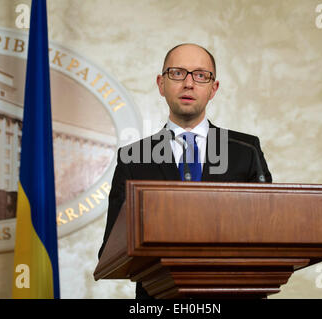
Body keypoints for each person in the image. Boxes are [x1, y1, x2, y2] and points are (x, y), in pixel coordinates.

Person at [97, 43, 272, 299]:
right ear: (161, 83)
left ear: (214, 89)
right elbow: (111, 250)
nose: (189, 83)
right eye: (177, 73)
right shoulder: (132, 158)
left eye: (201, 75)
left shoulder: (246, 150)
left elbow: (268, 231)